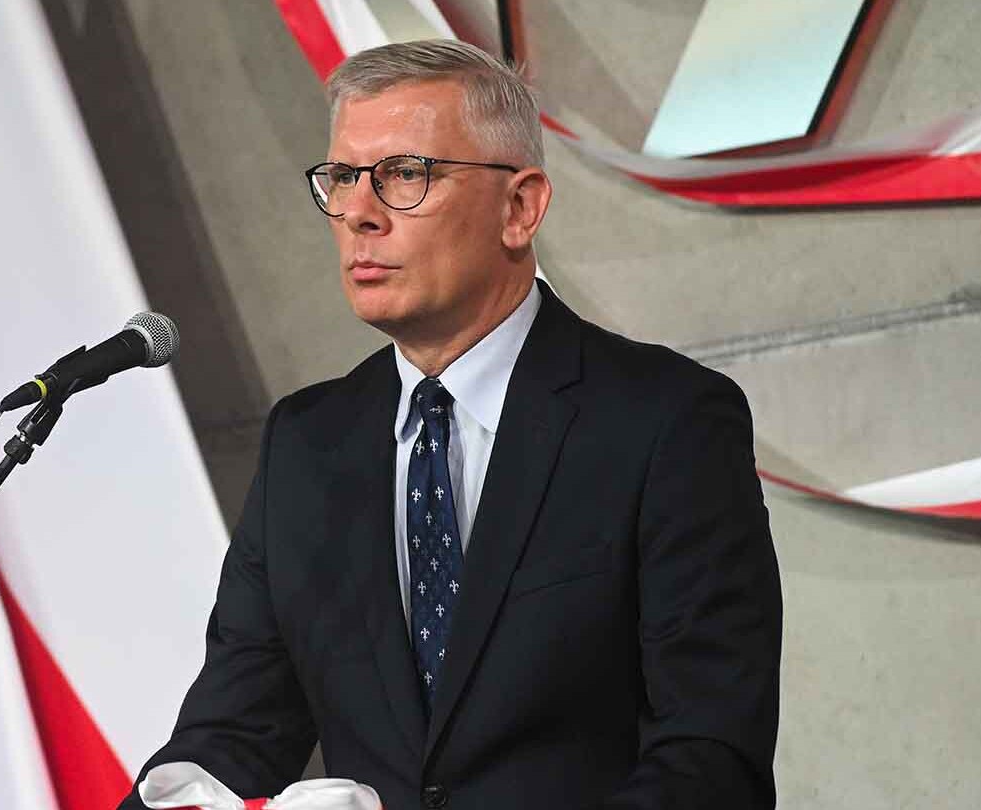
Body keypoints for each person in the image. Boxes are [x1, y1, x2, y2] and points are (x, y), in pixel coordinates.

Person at [119, 39, 781, 809]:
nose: (359, 214)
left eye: (405, 174)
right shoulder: (306, 444)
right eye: (342, 177)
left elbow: (710, 757)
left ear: (519, 208)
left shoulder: (665, 421)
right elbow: (232, 736)